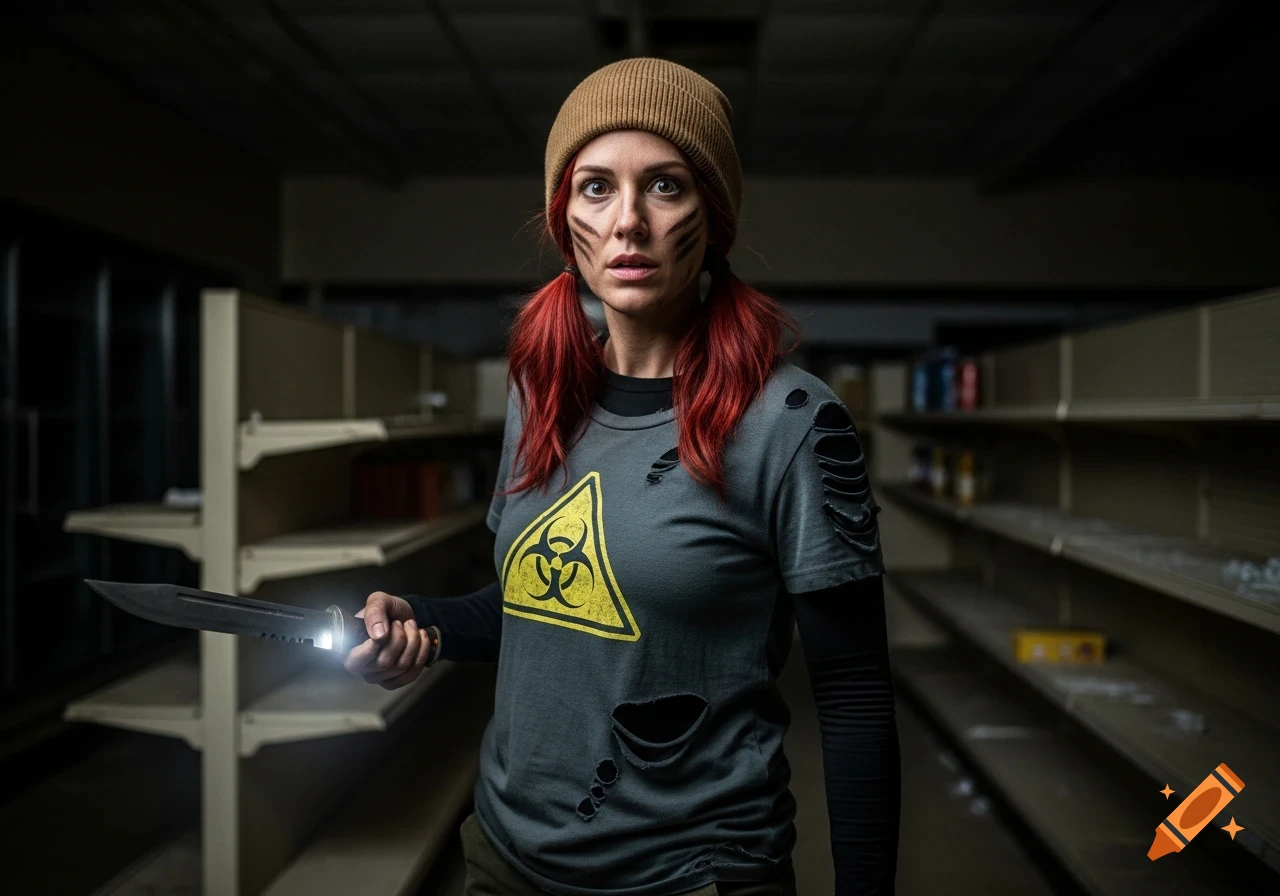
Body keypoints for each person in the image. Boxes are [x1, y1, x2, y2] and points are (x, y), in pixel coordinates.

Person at [343, 57, 900, 896]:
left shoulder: (789, 422)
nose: (628, 222)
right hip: (505, 858)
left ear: (710, 216)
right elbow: (539, 607)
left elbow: (853, 693)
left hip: (689, 875)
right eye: (596, 188)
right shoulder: (542, 388)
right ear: (565, 218)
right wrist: (417, 623)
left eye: (665, 186)